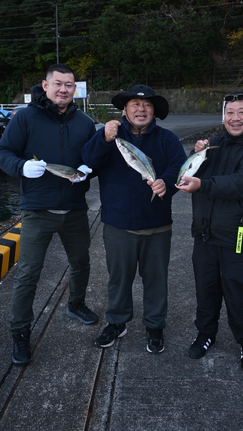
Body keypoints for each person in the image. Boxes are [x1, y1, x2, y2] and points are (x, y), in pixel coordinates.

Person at [0, 63, 99, 365]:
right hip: (37, 210)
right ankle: (20, 332)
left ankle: (76, 303)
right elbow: (4, 153)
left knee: (81, 262)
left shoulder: (85, 122)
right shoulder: (24, 118)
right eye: (58, 83)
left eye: (69, 85)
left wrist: (88, 169)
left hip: (75, 209)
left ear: (75, 89)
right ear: (45, 86)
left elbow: (94, 157)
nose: (63, 89)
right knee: (28, 273)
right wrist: (21, 168)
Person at [176, 90, 243, 374]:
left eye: (241, 112)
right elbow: (193, 171)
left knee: (239, 293)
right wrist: (197, 152)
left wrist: (202, 185)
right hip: (206, 235)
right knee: (206, 291)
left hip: (240, 238)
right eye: (230, 113)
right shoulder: (217, 143)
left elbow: (241, 183)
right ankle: (205, 334)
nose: (235, 118)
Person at [82, 84, 186, 353]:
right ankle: (117, 322)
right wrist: (104, 138)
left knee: (156, 279)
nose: (142, 109)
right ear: (124, 110)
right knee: (119, 278)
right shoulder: (110, 136)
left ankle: (154, 325)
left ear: (154, 111)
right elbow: (88, 164)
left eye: (147, 105)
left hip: (158, 225)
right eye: (135, 105)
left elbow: (180, 167)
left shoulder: (167, 139)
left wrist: (167, 183)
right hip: (118, 224)